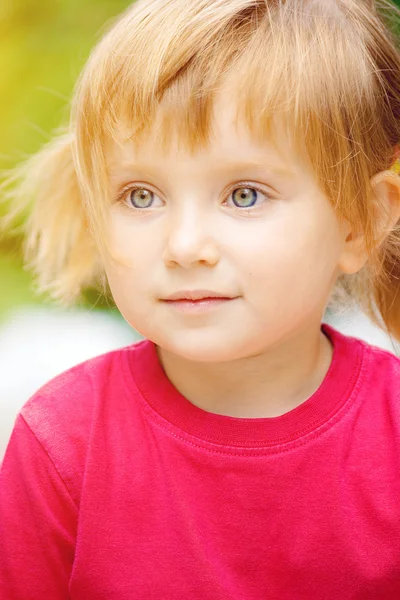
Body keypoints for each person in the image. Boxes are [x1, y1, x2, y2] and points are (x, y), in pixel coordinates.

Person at [1, 0, 400, 597]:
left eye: (244, 194)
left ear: (359, 222)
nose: (185, 246)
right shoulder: (63, 441)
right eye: (141, 196)